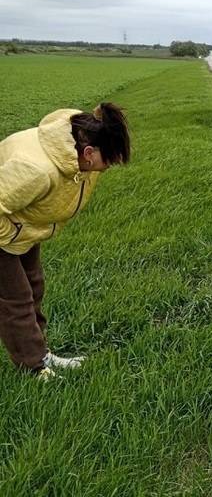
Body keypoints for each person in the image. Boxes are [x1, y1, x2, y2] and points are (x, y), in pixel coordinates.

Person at [0, 103, 131, 379]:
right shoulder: (37, 170)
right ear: (87, 153)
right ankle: (33, 369)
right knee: (16, 299)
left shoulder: (80, 150)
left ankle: (40, 353)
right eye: (104, 165)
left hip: (22, 225)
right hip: (5, 227)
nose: (102, 171)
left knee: (34, 287)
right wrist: (10, 236)